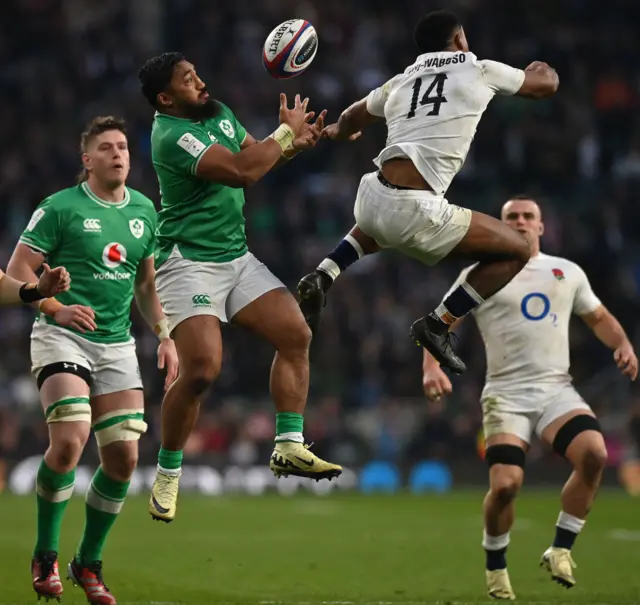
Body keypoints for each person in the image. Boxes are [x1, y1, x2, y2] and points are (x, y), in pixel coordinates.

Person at [137, 52, 342, 523]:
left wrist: (296, 142)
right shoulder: (171, 135)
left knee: (296, 335)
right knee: (204, 369)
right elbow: (240, 171)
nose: (200, 82)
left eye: (197, 73)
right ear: (167, 98)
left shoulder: (217, 113)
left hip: (235, 256)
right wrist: (283, 135)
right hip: (187, 261)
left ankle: (289, 444)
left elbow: (256, 154)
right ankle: (168, 473)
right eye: (188, 80)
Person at [296, 10, 559, 374]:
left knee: (383, 221)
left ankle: (322, 274)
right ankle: (438, 323)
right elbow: (545, 85)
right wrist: (542, 68)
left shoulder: (402, 80)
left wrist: (340, 131)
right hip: (416, 208)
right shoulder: (478, 69)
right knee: (519, 249)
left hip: (370, 196)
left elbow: (354, 115)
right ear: (460, 41)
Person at [421, 196, 638, 599]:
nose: (520, 221)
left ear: (541, 227)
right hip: (505, 395)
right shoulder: (480, 275)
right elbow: (440, 322)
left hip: (556, 389)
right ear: (501, 226)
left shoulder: (566, 272)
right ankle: (496, 566)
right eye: (511, 217)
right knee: (506, 485)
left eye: (528, 216)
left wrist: (622, 343)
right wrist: (431, 367)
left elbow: (598, 317)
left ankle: (560, 548)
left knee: (594, 454)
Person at [8, 116, 178, 605]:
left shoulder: (145, 211)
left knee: (123, 459)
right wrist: (54, 305)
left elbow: (146, 285)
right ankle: (45, 554)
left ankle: (88, 562)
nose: (118, 154)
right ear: (87, 160)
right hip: (61, 336)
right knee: (69, 440)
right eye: (106, 148)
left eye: (123, 147)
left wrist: (164, 334)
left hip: (117, 344)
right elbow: (19, 271)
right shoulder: (60, 207)